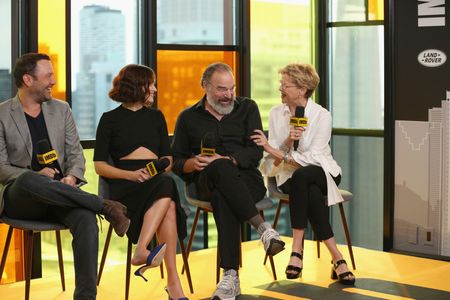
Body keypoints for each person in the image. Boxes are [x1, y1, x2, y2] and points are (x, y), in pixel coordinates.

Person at [0, 53, 130, 299]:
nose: (53, 81)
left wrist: (71, 177)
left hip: (62, 193)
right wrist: (36, 174)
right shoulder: (2, 114)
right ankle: (104, 206)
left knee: (86, 219)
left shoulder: (62, 110)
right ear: (28, 79)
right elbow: (1, 167)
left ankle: (85, 297)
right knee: (28, 179)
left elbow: (76, 156)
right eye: (48, 75)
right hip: (23, 199)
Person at [172, 62, 285, 300]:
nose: (229, 95)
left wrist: (230, 160)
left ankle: (230, 276)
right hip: (204, 181)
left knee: (224, 193)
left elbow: (255, 153)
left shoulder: (248, 108)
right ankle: (263, 229)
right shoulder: (187, 118)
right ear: (205, 86)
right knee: (218, 170)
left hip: (248, 181)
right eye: (222, 89)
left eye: (231, 89)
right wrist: (193, 163)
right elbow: (178, 161)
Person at [252, 63, 356, 285]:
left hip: (323, 172)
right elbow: (275, 161)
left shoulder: (321, 115)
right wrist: (288, 140)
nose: (280, 88)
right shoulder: (275, 113)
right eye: (281, 84)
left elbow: (314, 157)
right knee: (306, 186)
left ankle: (296, 249)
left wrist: (273, 150)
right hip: (290, 177)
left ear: (301, 89)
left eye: (285, 85)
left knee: (305, 176)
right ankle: (337, 258)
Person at [93, 64, 188, 300]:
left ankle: (144, 253)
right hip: (125, 184)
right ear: (138, 86)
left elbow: (168, 159)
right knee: (169, 198)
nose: (155, 89)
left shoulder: (156, 117)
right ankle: (172, 282)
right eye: (151, 84)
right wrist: (131, 175)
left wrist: (156, 167)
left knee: (167, 193)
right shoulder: (109, 119)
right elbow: (99, 165)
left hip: (154, 178)